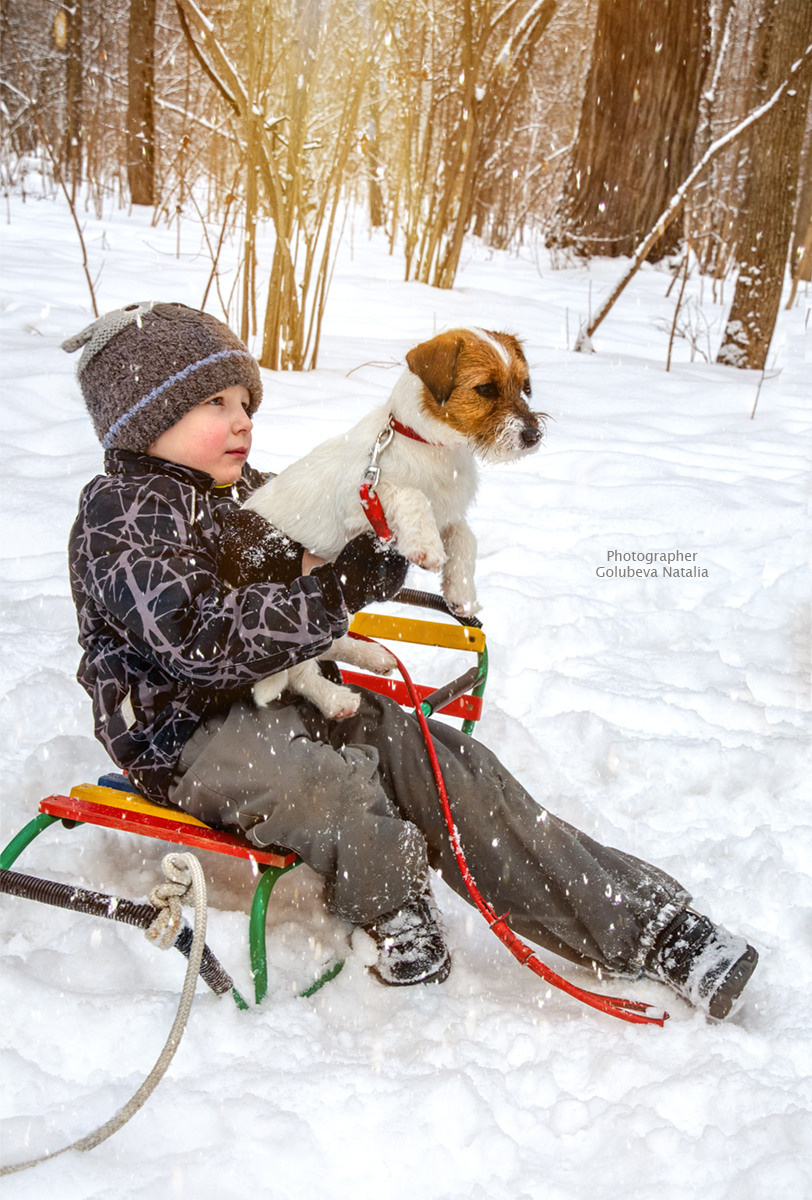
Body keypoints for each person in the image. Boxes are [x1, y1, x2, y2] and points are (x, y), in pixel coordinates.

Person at [63, 301, 758, 1019]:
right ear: (145, 418)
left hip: (288, 691)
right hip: (185, 734)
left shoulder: (244, 490)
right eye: (216, 403)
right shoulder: (122, 515)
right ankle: (393, 907)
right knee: (323, 789)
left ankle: (648, 926)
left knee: (449, 767)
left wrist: (380, 536)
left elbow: (308, 548)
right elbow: (197, 639)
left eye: (246, 402)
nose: (243, 421)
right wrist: (336, 589)